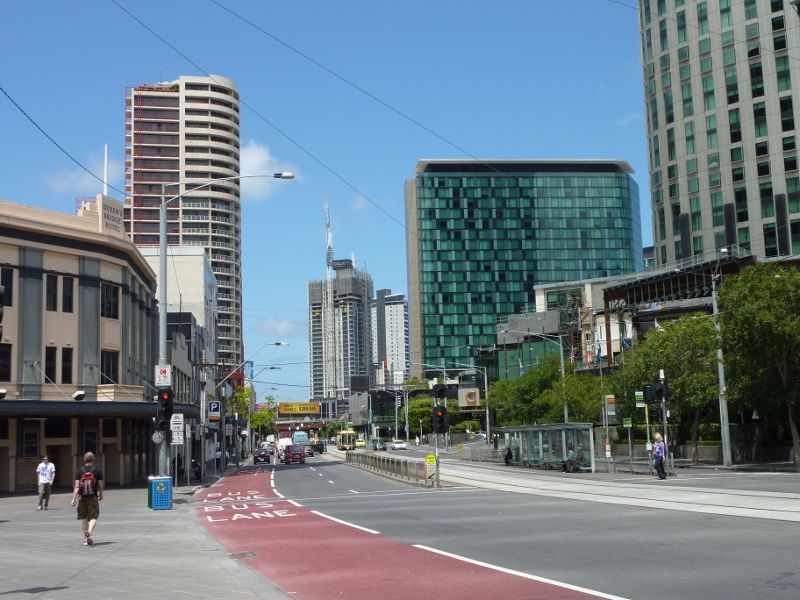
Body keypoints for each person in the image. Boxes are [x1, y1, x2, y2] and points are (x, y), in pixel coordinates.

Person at [70, 451, 104, 546]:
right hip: (93, 496)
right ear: (93, 459)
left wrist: (73, 499)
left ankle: (86, 538)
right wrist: (101, 494)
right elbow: (101, 485)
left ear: (84, 459)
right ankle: (89, 532)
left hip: (82, 497)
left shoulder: (80, 471)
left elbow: (77, 486)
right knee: (93, 517)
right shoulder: (97, 470)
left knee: (84, 518)